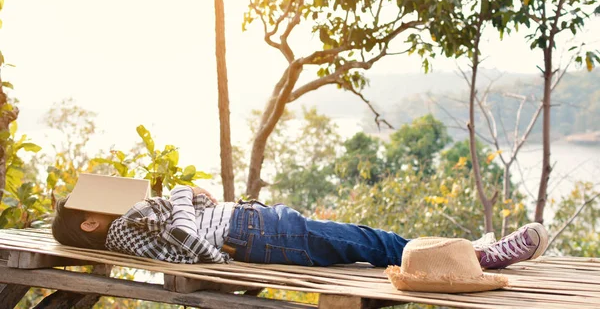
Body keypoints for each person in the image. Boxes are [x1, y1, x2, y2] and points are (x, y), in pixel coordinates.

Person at [52, 185, 549, 269]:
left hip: (256, 226)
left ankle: (467, 249)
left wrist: (191, 201)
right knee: (374, 244)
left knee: (369, 241)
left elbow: (181, 239)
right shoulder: (123, 226)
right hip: (256, 233)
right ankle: (480, 258)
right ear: (90, 220)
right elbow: (186, 239)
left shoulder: (128, 227)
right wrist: (183, 193)